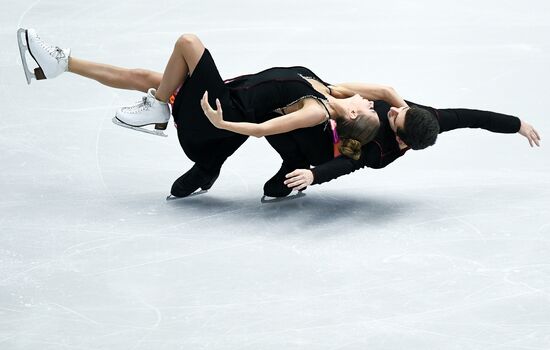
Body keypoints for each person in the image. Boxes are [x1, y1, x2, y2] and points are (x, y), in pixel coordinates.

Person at [19, 28, 432, 198]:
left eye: (369, 107)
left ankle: (158, 110)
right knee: (145, 74)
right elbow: (382, 91)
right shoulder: (334, 89)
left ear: (353, 115)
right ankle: (60, 63)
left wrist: (223, 124)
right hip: (225, 95)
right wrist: (401, 104)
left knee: (188, 43)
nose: (371, 100)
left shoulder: (317, 109)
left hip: (214, 111)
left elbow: (266, 128)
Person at [264, 98, 541, 197]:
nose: (396, 108)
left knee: (285, 173)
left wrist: (313, 175)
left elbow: (347, 164)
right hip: (336, 111)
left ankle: (294, 160)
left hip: (327, 145)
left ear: (401, 140)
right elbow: (471, 117)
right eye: (404, 108)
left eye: (398, 115)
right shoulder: (427, 119)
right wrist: (517, 124)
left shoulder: (378, 151)